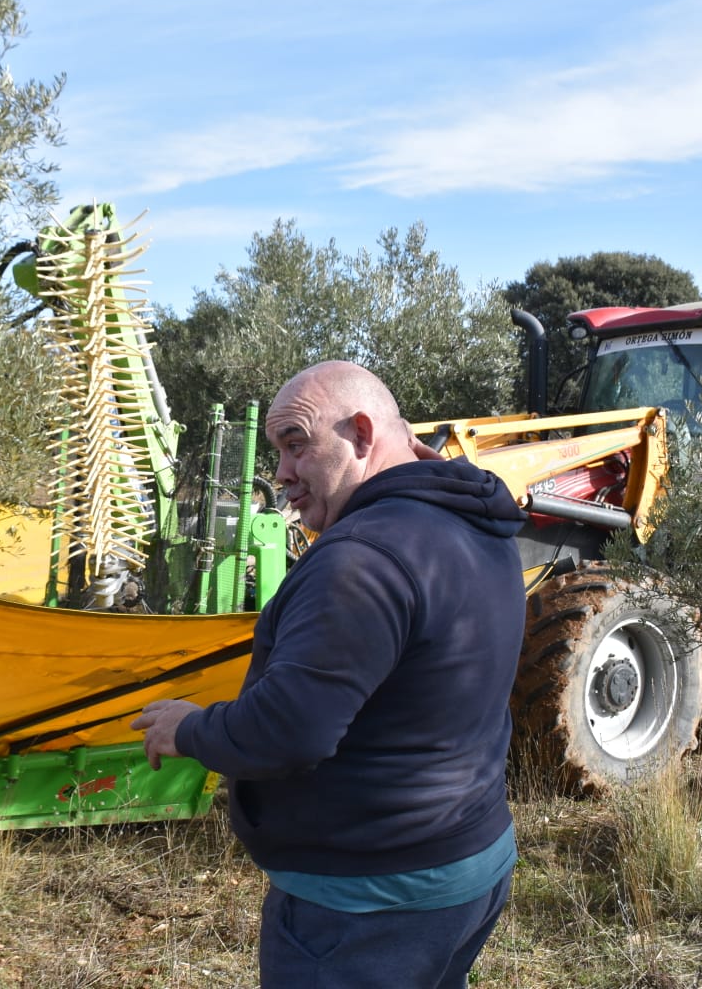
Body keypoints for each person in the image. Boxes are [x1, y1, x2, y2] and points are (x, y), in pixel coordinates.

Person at [133, 360, 526, 989]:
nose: (282, 473)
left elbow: (288, 732)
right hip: (468, 861)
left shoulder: (359, 562)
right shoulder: (472, 523)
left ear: (363, 435)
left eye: (296, 444)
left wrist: (191, 728)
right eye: (277, 451)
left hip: (368, 900)